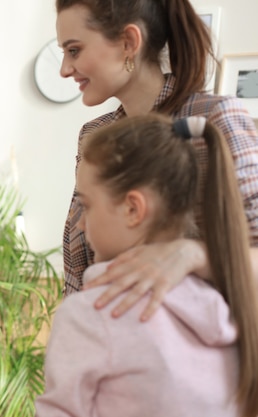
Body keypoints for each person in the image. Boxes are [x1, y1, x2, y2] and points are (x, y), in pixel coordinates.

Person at [35, 114, 258, 417]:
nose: (81, 224)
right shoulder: (226, 309)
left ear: (132, 209)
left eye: (86, 206)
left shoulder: (92, 313)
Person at [56, 0, 258, 320]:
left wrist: (194, 255)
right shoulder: (94, 134)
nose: (65, 69)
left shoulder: (213, 121)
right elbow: (77, 270)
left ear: (128, 42)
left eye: (75, 50)